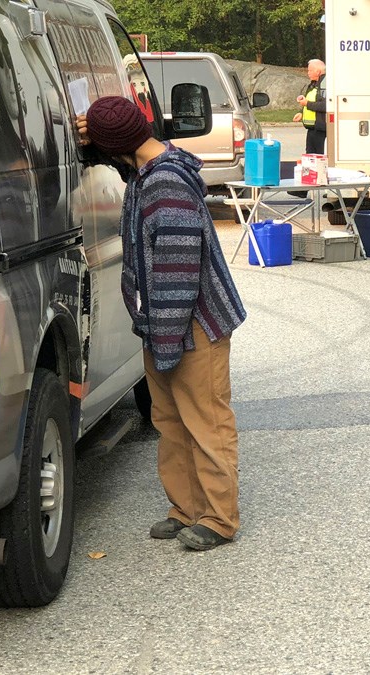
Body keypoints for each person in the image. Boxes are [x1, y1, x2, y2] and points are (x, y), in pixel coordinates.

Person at [77, 96, 246, 552]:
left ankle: (218, 517)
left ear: (117, 148)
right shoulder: (149, 166)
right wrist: (96, 141)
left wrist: (167, 342)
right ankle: (186, 508)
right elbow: (127, 156)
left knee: (206, 420)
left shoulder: (164, 183)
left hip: (192, 322)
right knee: (170, 419)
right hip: (165, 322)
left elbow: (177, 270)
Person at [293, 59, 327, 154]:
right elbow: (312, 101)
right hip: (311, 130)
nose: (308, 73)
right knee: (309, 157)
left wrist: (307, 103)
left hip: (321, 130)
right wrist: (302, 113)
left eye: (310, 70)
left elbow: (326, 105)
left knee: (321, 158)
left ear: (318, 71)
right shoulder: (313, 84)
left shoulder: (325, 85)